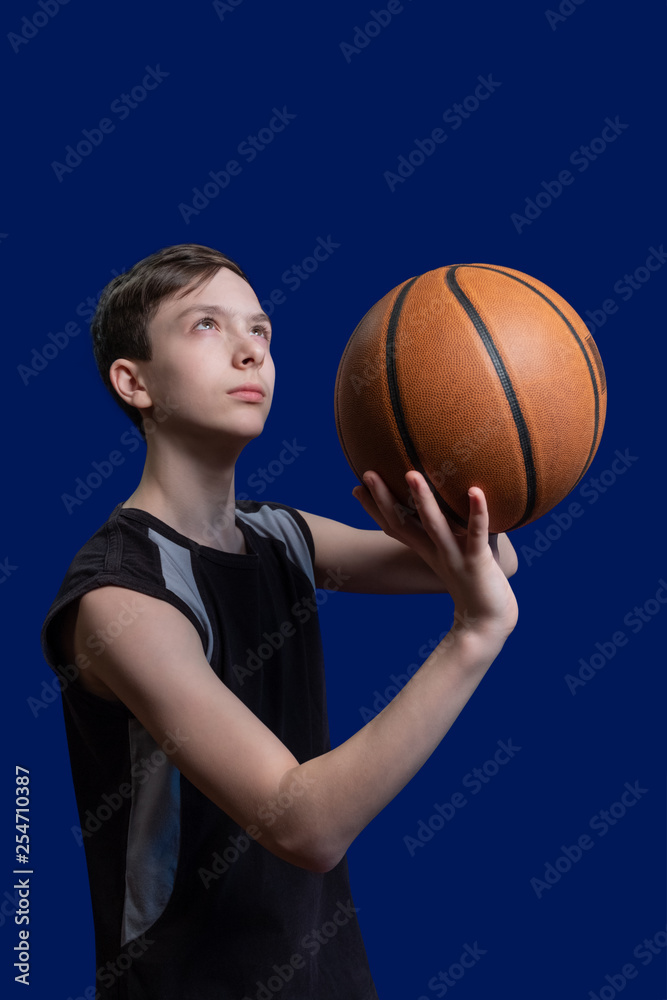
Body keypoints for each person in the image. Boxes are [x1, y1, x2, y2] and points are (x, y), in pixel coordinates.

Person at [40, 243, 519, 1000]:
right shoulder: (118, 596)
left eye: (260, 330)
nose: (248, 350)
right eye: (205, 326)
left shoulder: (277, 534)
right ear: (134, 383)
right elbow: (305, 826)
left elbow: (487, 556)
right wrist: (471, 637)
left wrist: (476, 430)